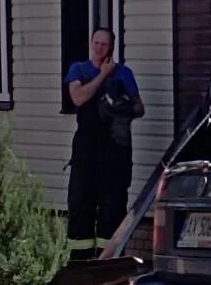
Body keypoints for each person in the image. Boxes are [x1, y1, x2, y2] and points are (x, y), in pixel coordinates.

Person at [64, 27, 144, 260]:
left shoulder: (125, 74)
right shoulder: (78, 70)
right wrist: (103, 75)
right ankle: (80, 264)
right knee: (81, 206)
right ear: (91, 44)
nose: (99, 48)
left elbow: (141, 107)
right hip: (86, 153)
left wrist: (124, 107)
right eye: (96, 44)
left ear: (111, 47)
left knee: (112, 209)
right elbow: (78, 97)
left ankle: (108, 263)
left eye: (104, 45)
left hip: (115, 152)